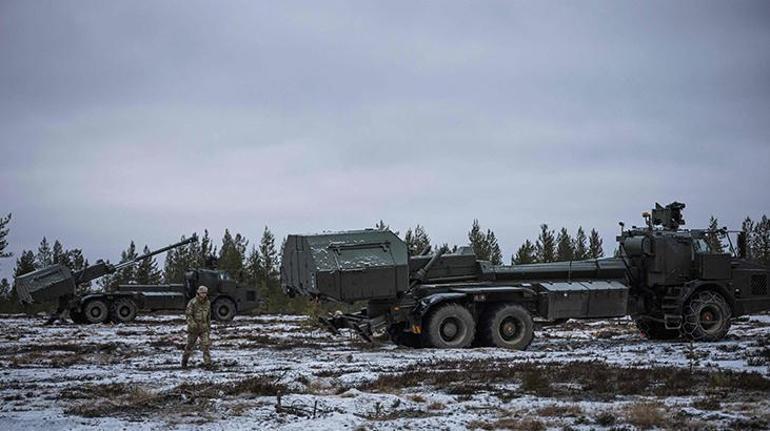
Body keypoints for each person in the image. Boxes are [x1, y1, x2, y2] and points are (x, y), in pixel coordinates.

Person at [182, 285, 212, 369]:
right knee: (189, 346)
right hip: (194, 329)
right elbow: (188, 315)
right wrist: (192, 324)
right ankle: (184, 361)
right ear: (198, 292)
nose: (204, 294)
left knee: (206, 346)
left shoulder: (208, 303)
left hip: (204, 328)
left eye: (205, 293)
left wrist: (209, 327)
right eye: (202, 292)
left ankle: (208, 364)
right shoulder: (193, 302)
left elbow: (208, 316)